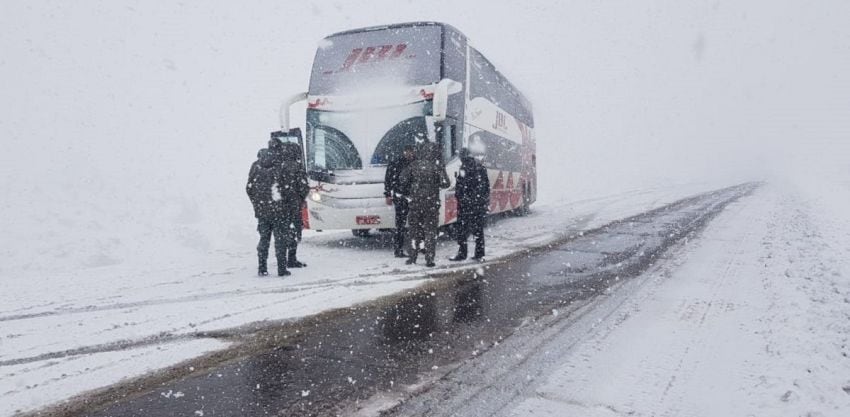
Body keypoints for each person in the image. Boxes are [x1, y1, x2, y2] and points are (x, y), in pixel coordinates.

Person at [399, 142, 451, 267]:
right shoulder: (436, 166)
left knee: (414, 231)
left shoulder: (413, 166)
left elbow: (402, 180)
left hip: (415, 203)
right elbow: (446, 184)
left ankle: (412, 257)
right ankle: (429, 259)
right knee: (430, 232)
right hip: (431, 203)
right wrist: (440, 172)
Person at [246, 144, 289, 276]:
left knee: (264, 239)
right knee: (280, 240)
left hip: (262, 212)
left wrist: (257, 203)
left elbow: (249, 188)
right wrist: (283, 204)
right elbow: (285, 188)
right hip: (278, 211)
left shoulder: (255, 167)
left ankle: (262, 268)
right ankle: (281, 269)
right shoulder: (279, 166)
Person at [450, 149, 490, 262]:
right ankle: (479, 254)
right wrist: (483, 201)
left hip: (466, 206)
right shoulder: (480, 167)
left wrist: (460, 198)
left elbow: (461, 187)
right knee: (478, 231)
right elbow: (486, 187)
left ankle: (462, 254)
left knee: (462, 230)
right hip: (478, 205)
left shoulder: (464, 167)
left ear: (462, 157)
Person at [384, 145, 415, 258]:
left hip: (411, 196)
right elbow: (388, 179)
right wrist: (387, 195)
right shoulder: (396, 163)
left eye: (411, 152)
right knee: (400, 225)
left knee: (415, 224)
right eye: (408, 152)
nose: (409, 154)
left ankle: (416, 247)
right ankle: (398, 249)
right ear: (404, 152)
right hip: (401, 197)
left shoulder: (415, 163)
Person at [282, 142, 309, 268]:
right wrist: (300, 198)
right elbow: (304, 187)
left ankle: (281, 260)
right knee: (293, 231)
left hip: (279, 206)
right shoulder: (297, 167)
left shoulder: (278, 166)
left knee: (281, 232)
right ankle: (291, 259)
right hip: (294, 205)